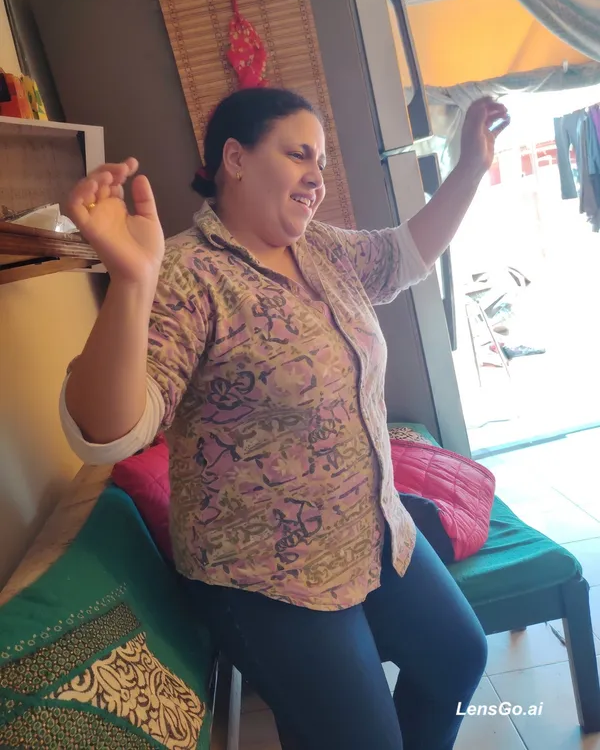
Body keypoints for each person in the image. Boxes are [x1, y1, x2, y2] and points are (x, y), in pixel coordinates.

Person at [60, 87, 509, 750]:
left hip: (376, 530)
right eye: (299, 154)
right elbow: (112, 429)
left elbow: (403, 255)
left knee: (457, 661)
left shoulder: (319, 249)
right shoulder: (188, 274)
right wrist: (132, 282)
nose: (316, 177)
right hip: (268, 576)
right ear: (235, 159)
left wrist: (469, 168)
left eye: (320, 163)